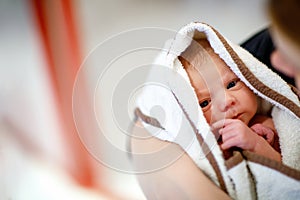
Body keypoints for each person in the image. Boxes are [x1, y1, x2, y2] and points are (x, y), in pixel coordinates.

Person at [179, 38, 281, 162]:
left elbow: (290, 172)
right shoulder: (197, 150)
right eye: (205, 103)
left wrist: (257, 145)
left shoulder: (267, 127)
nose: (227, 101)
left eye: (232, 84)